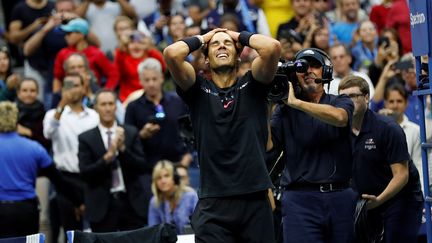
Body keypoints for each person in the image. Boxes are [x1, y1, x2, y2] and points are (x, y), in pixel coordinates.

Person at [164, 28, 281, 242]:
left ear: (238, 54)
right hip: (213, 203)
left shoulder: (253, 84)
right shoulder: (196, 89)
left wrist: (238, 36)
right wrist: (203, 38)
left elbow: (272, 47)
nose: (221, 46)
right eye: (215, 44)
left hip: (254, 200)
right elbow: (172, 53)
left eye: (227, 44)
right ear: (206, 59)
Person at [270, 48, 356, 243]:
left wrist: (296, 103)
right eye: (302, 67)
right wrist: (266, 103)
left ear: (325, 71)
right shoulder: (283, 110)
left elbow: (340, 118)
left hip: (340, 196)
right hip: (299, 200)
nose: (308, 71)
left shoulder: (340, 101)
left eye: (315, 66)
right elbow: (268, 147)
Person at [338, 75, 423, 243]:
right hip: (367, 202)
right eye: (343, 98)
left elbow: (401, 175)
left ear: (367, 98)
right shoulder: (339, 130)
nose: (348, 102)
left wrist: (379, 200)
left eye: (353, 96)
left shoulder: (388, 129)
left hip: (401, 199)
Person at [0, 101, 82, 238]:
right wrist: (78, 202)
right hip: (26, 210)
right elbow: (58, 179)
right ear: (16, 120)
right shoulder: (34, 148)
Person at [78, 89, 150, 232]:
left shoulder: (130, 132)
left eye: (111, 104)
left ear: (116, 107)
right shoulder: (86, 138)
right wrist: (107, 158)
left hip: (130, 203)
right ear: (96, 108)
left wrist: (123, 149)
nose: (108, 108)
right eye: (103, 104)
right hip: (101, 206)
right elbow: (85, 173)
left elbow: (142, 167)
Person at [43, 73, 99, 233]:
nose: (72, 90)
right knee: (70, 231)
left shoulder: (94, 116)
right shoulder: (52, 115)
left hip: (90, 179)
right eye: (68, 86)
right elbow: (48, 132)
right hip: (66, 180)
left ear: (83, 88)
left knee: (93, 231)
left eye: (76, 85)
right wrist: (61, 104)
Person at [148, 160, 198, 234]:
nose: (163, 181)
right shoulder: (154, 202)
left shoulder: (191, 196)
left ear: (175, 178)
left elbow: (200, 226)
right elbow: (153, 232)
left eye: (166, 176)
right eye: (159, 178)